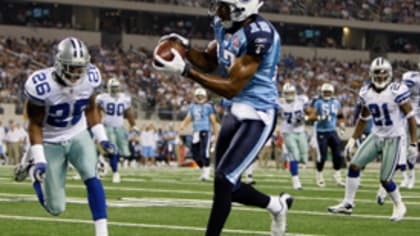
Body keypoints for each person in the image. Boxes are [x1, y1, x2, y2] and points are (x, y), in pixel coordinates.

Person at [153, 1, 293, 235]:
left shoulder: (260, 35)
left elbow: (231, 87)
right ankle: (276, 205)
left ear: (243, 8)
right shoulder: (224, 23)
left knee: (224, 179)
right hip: (236, 109)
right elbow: (211, 60)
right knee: (228, 184)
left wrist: (186, 71)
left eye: (224, 6)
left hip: (258, 113)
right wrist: (186, 51)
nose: (218, 10)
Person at [23, 37, 117, 236]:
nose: (76, 73)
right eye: (71, 68)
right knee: (56, 208)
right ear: (59, 64)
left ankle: (102, 232)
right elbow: (35, 125)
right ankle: (33, 174)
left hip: (77, 132)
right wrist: (39, 159)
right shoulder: (42, 86)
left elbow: (91, 109)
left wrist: (102, 138)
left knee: (92, 175)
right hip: (50, 140)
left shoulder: (91, 77)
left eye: (80, 68)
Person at [328, 57, 416, 222]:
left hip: (394, 137)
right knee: (354, 165)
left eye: (384, 72)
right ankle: (348, 203)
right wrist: (353, 139)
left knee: (385, 179)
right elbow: (363, 118)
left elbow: (411, 116)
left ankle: (399, 205)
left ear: (389, 73)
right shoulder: (365, 92)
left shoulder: (397, 90)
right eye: (377, 72)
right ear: (371, 74)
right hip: (376, 135)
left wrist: (413, 143)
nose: (381, 75)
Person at [96, 78, 136, 183]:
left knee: (124, 152)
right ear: (109, 88)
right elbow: (96, 111)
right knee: (112, 149)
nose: (115, 90)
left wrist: (133, 124)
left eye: (116, 87)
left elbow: (128, 112)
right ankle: (115, 172)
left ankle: (103, 161)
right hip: (107, 126)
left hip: (119, 127)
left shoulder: (124, 98)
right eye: (113, 88)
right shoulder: (102, 98)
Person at [307, 82, 346, 187]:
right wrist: (321, 118)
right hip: (321, 132)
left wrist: (342, 125)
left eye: (329, 92)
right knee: (322, 156)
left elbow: (341, 115)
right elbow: (311, 117)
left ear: (332, 92)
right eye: (325, 92)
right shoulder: (318, 102)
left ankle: (337, 176)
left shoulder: (336, 103)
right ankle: (319, 176)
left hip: (332, 131)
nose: (327, 94)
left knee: (338, 154)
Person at [179, 87, 219, 181]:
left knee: (204, 152)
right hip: (196, 131)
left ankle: (206, 174)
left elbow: (213, 121)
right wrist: (183, 124)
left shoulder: (209, 106)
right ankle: (204, 170)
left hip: (205, 130)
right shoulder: (192, 106)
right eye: (198, 96)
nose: (200, 98)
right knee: (194, 153)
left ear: (204, 96)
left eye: (201, 96)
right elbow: (189, 117)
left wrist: (216, 134)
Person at [278, 82, 310, 190]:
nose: (289, 95)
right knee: (294, 155)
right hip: (287, 132)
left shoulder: (301, 100)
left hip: (300, 131)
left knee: (304, 158)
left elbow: (309, 112)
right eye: (287, 93)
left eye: (291, 92)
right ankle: (296, 181)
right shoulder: (279, 103)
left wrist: (305, 117)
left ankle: (295, 170)